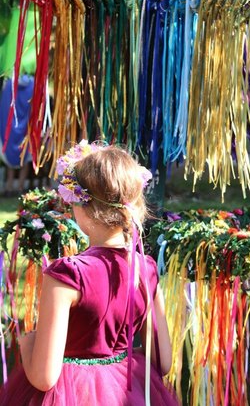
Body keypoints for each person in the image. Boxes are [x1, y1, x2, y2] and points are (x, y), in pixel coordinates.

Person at [0, 140, 178, 405]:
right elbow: (162, 361)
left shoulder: (67, 274)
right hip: (129, 392)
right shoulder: (147, 268)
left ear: (83, 208)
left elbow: (44, 378)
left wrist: (28, 343)